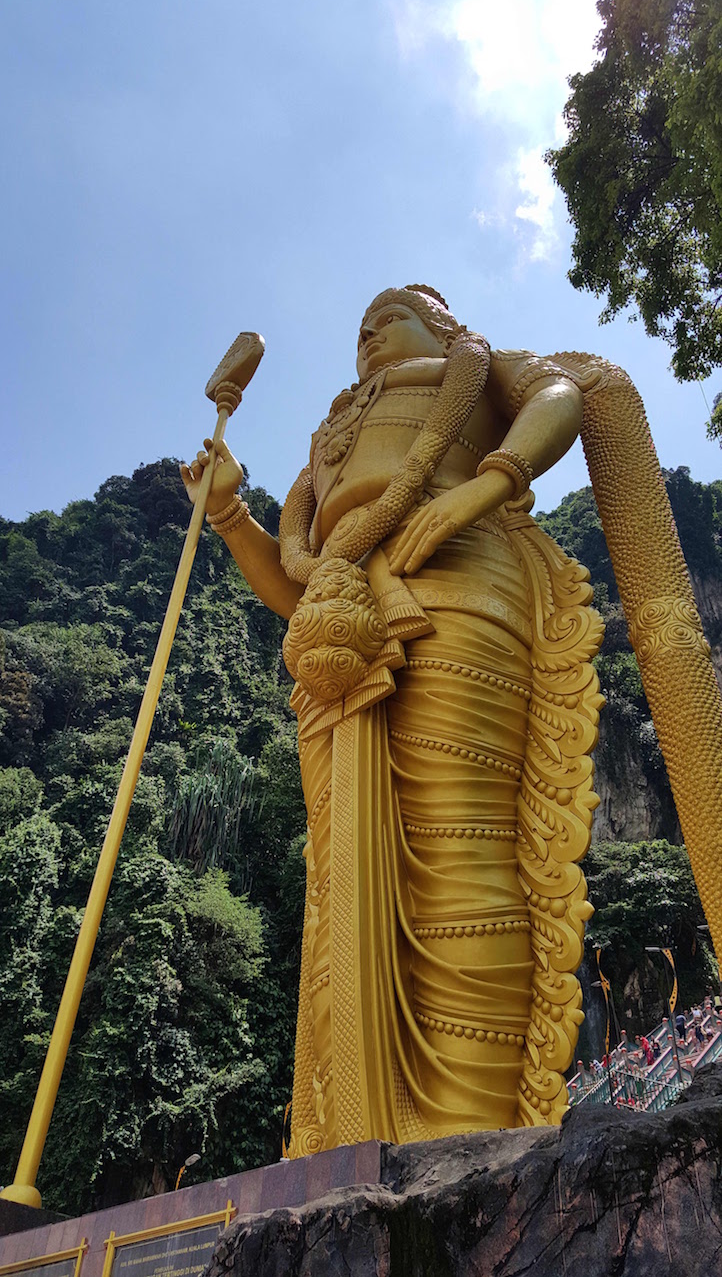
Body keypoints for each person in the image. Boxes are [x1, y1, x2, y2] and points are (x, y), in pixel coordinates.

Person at [180, 286, 604, 1151]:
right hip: (334, 630)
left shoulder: (469, 369)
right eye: (359, 329)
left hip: (456, 586)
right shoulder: (329, 442)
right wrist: (228, 511)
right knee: (343, 883)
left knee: (460, 856)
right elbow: (290, 587)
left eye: (390, 317)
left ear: (441, 325)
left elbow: (561, 394)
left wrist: (479, 491)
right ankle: (355, 1135)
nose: (369, 336)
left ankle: (472, 1139)